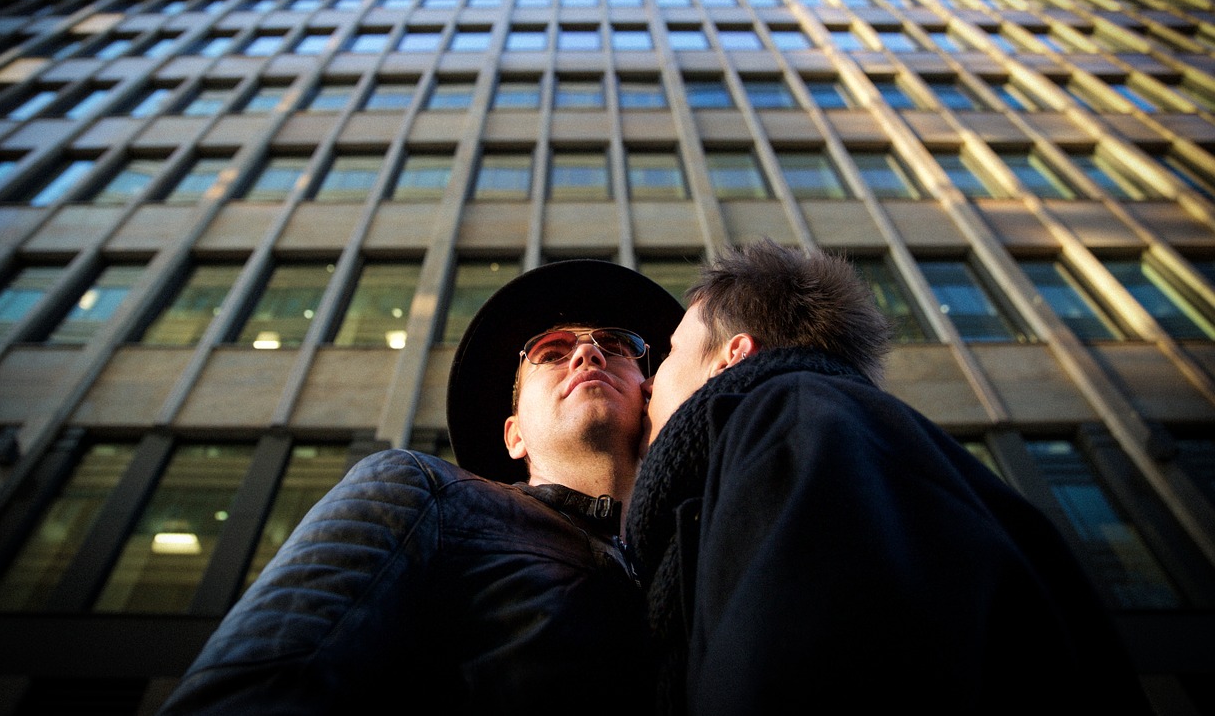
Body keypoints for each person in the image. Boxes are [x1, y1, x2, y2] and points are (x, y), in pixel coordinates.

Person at [626, 239, 1153, 715]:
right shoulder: (852, 436)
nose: (649, 383)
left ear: (732, 357)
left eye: (670, 353)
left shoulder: (793, 425)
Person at [157, 259, 683, 715]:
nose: (588, 355)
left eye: (616, 346)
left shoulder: (699, 552)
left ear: (651, 393)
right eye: (551, 351)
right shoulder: (428, 494)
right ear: (514, 434)